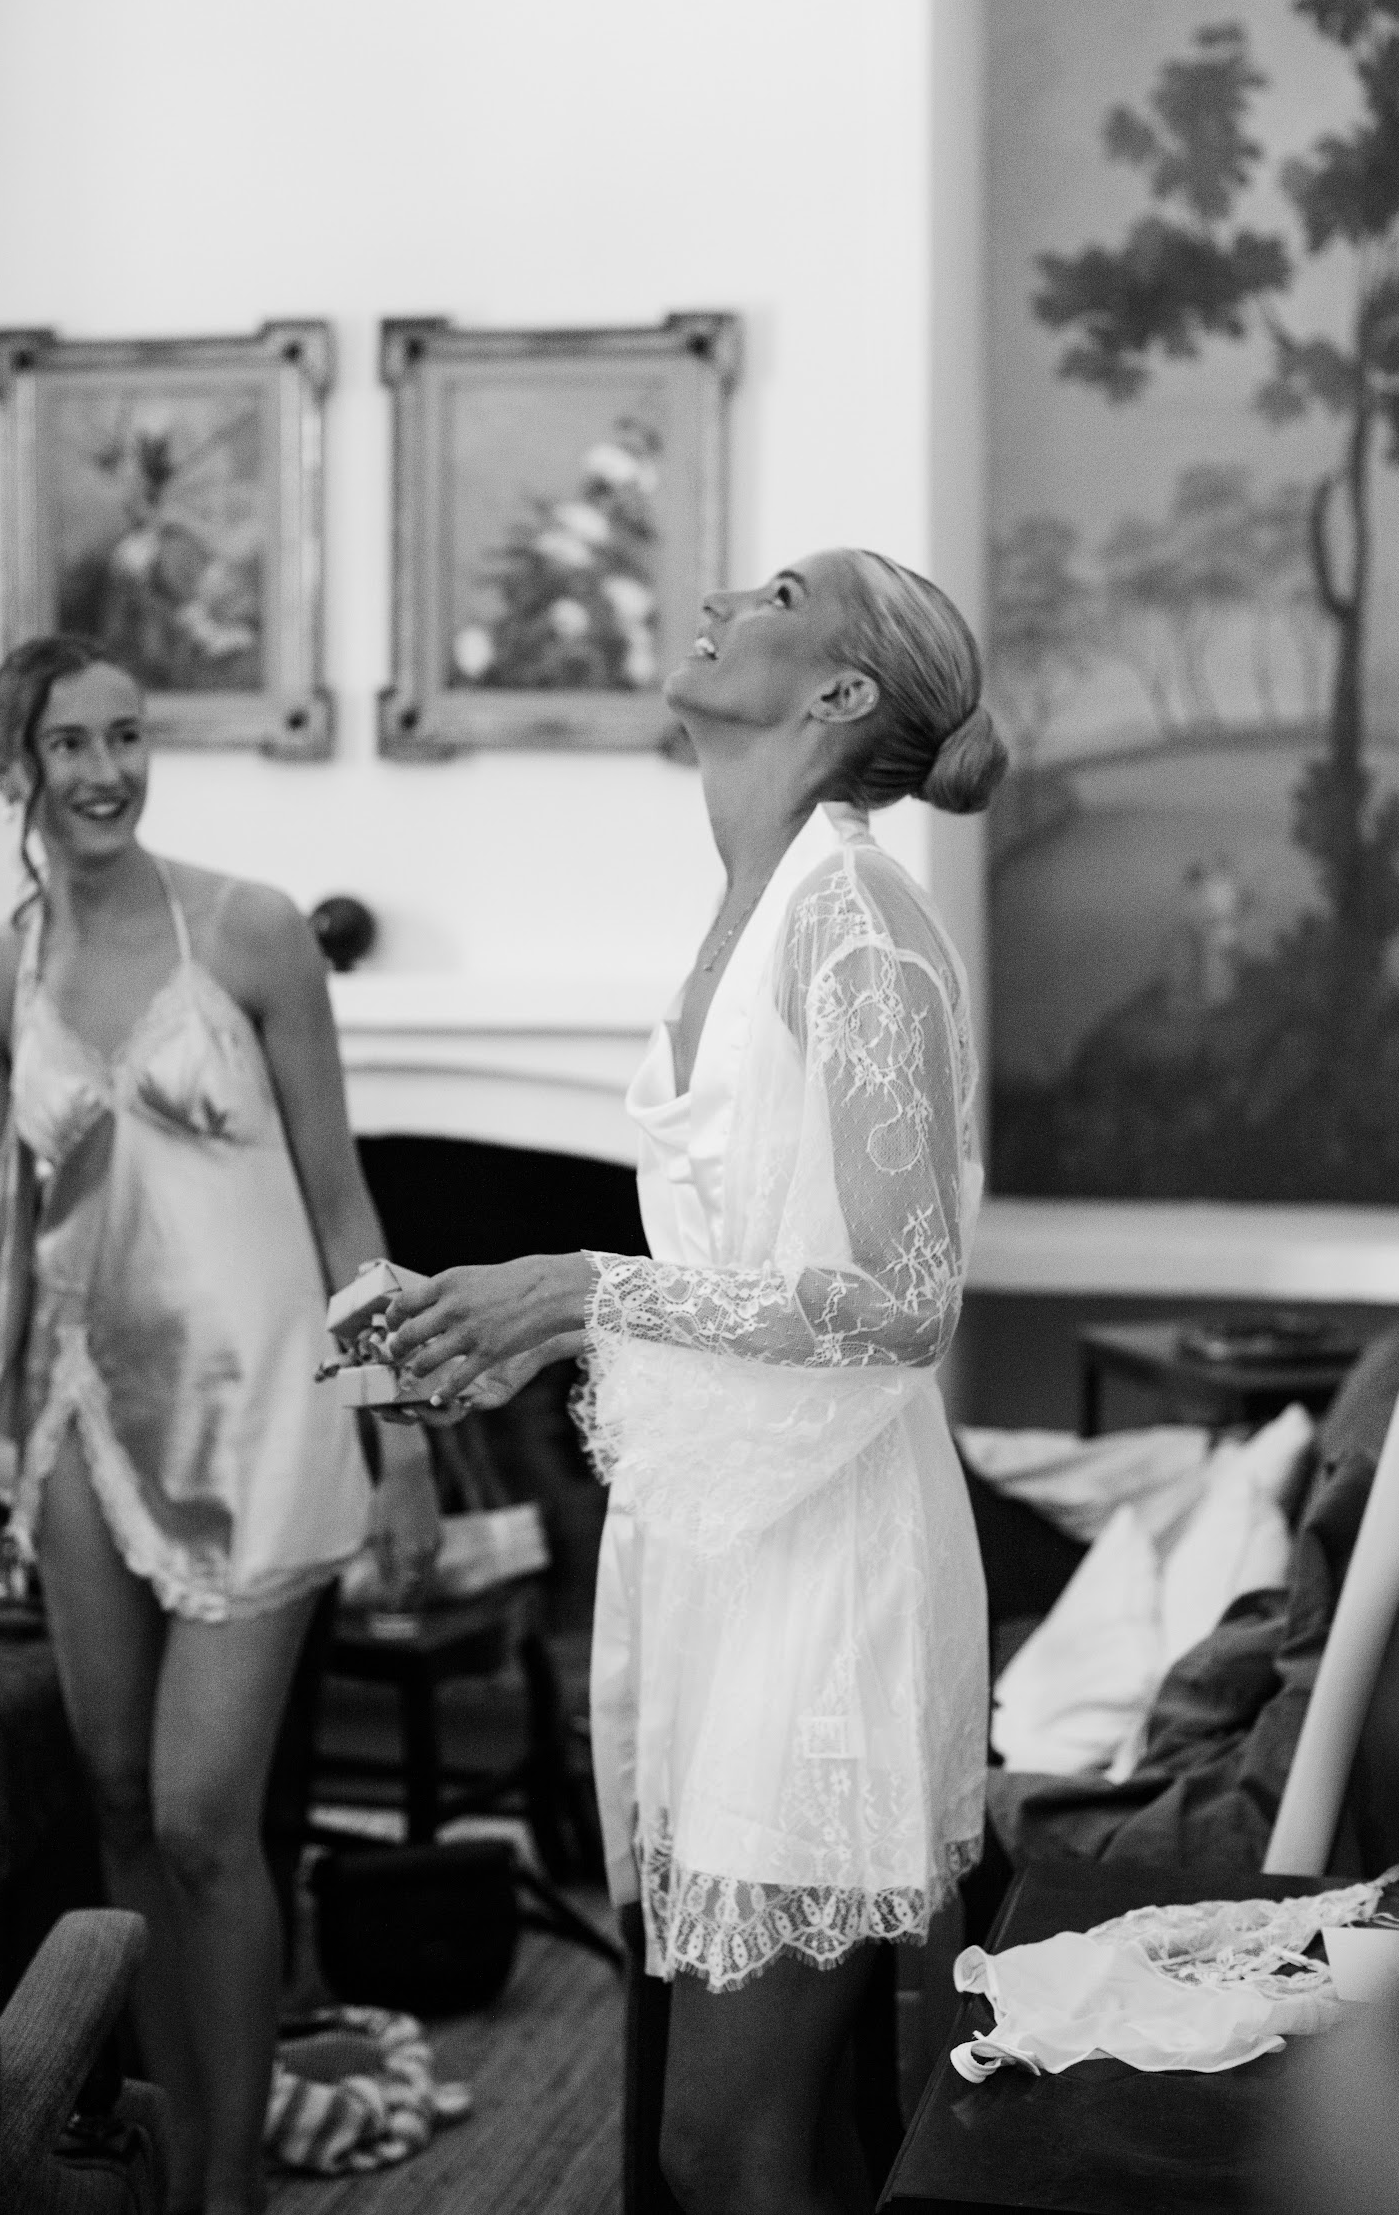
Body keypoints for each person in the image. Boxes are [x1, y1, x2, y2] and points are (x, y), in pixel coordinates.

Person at [382, 550, 1008, 2215]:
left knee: (721, 2145)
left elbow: (903, 1302)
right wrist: (513, 1329)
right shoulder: (759, 901)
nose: (725, 596)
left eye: (780, 592)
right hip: (724, 1542)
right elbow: (745, 1256)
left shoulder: (857, 920)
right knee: (763, 2132)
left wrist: (583, 1287)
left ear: (842, 692)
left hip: (826, 1571)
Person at [0, 636, 439, 2215]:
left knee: (209, 1818)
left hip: (267, 1425)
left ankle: (233, 2186)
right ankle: (179, 2152)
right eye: (69, 744)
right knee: (120, 1804)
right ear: (13, 768)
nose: (106, 772)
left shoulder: (252, 933)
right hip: (85, 1431)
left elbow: (344, 1206)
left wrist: (402, 1436)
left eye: (127, 736)